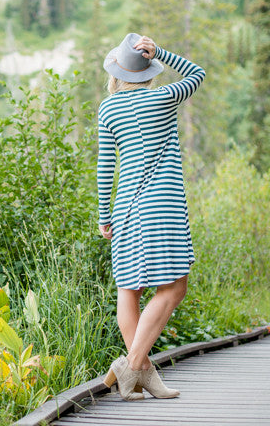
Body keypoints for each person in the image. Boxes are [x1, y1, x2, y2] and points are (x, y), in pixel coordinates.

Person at [97, 33, 205, 400]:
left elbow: (105, 166)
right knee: (174, 286)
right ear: (147, 71)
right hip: (163, 206)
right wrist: (162, 53)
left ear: (117, 72)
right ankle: (133, 367)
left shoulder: (107, 108)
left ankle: (135, 372)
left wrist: (103, 213)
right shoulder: (163, 98)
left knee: (129, 289)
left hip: (126, 207)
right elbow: (196, 74)